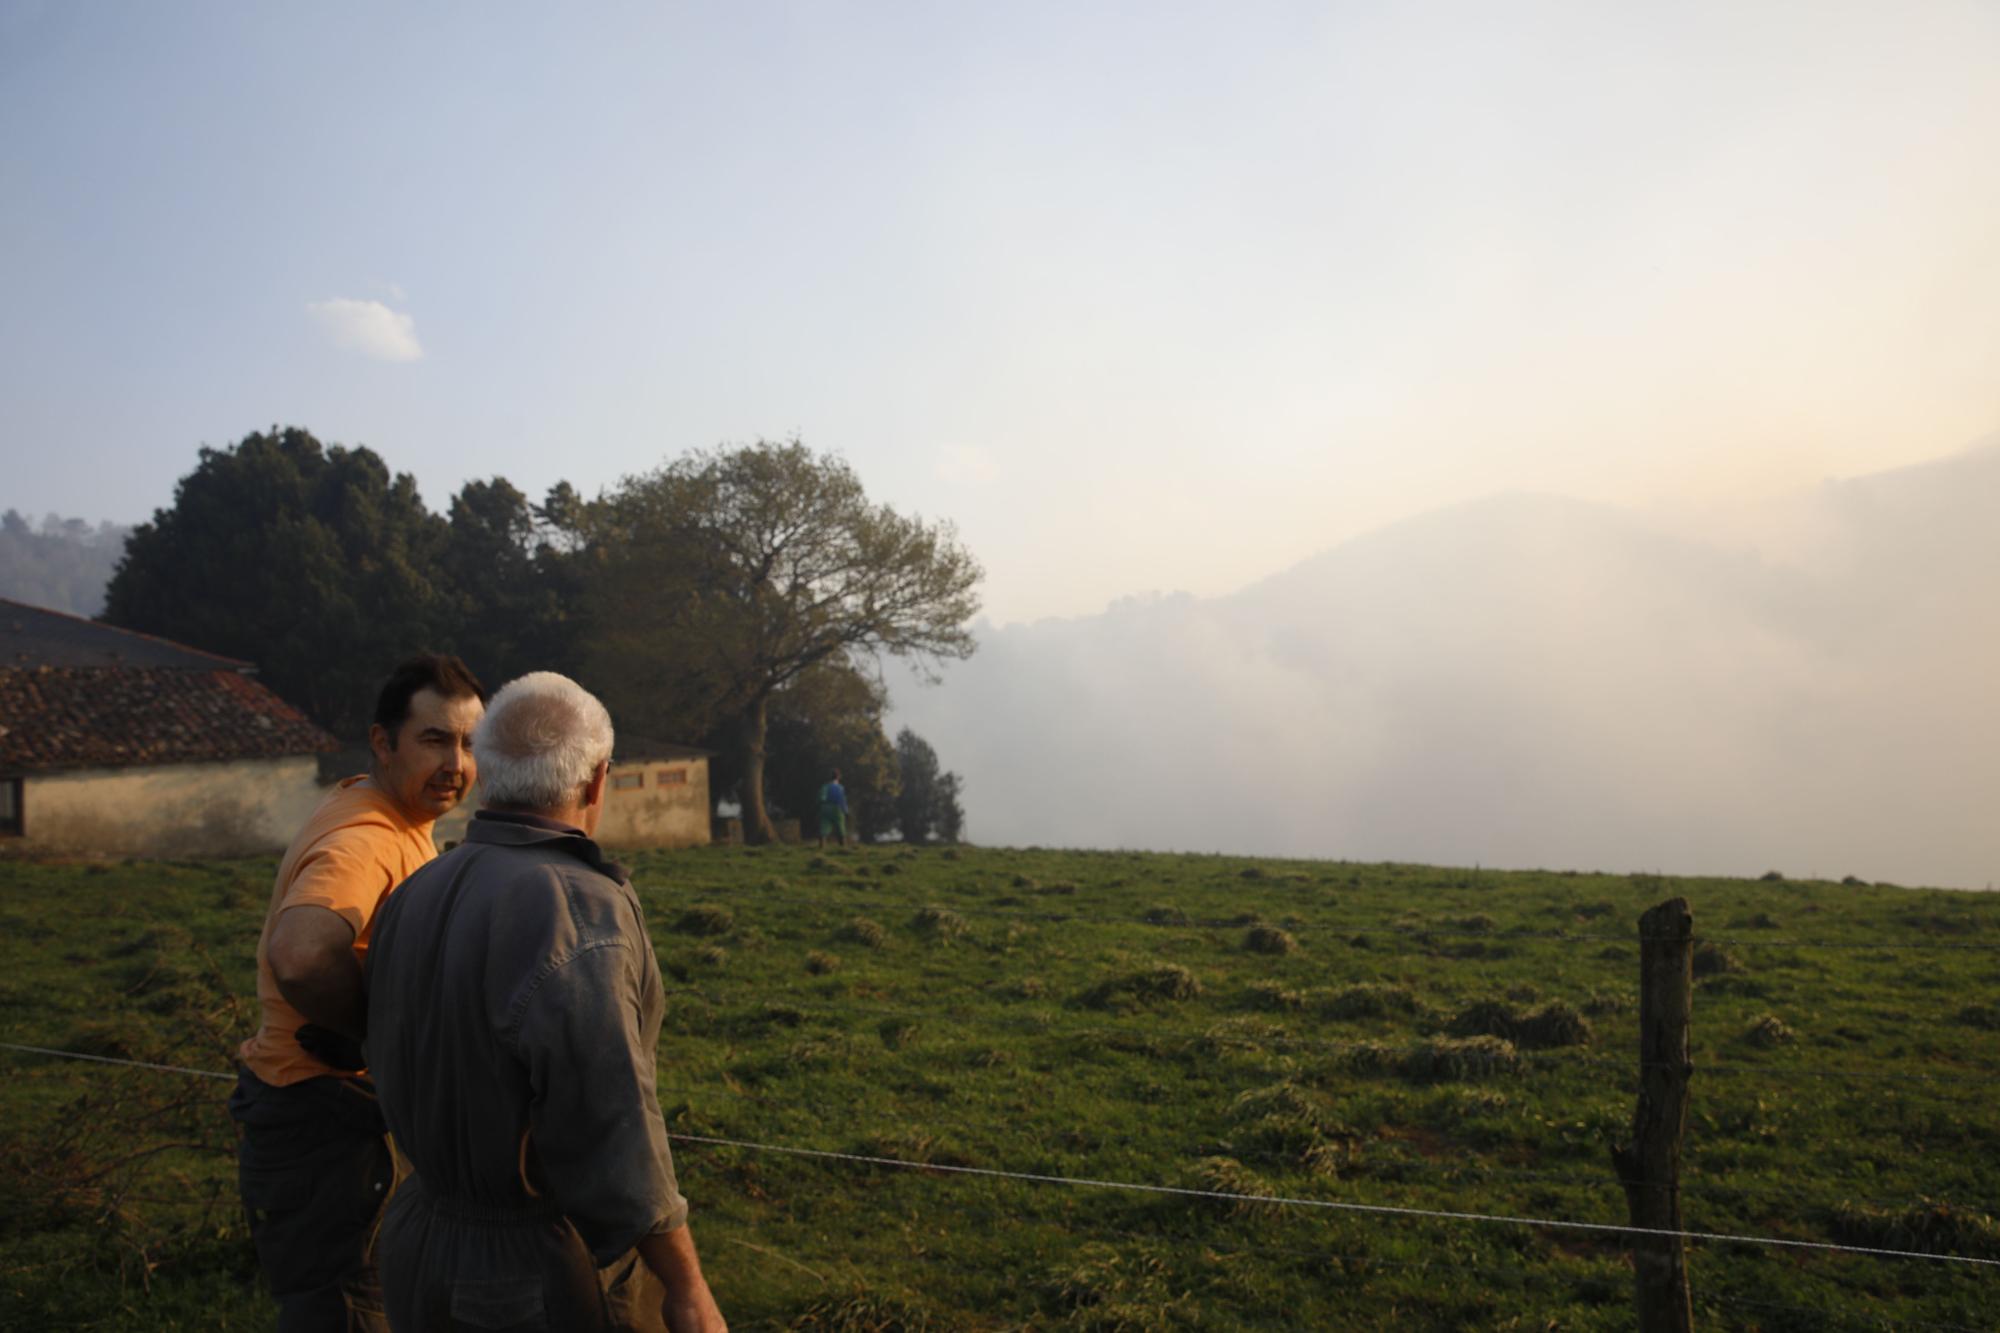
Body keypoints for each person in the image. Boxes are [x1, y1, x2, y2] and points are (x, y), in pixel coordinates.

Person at [363, 672, 727, 1333]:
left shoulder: (418, 887)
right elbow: (610, 1122)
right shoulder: (578, 909)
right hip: (531, 1273)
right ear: (596, 781)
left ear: (488, 772)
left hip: (417, 1241)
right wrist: (686, 1285)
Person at [231, 654, 487, 1332]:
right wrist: (370, 1033)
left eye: (469, 743)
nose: (456, 763)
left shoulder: (395, 821)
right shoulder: (365, 838)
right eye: (434, 739)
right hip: (323, 1132)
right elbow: (301, 951)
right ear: (383, 742)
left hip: (335, 1127)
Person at [816, 768, 848, 848]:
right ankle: (843, 846)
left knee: (824, 826)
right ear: (838, 777)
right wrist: (845, 810)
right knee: (840, 826)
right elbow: (842, 800)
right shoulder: (840, 787)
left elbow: (820, 798)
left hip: (825, 808)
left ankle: (822, 846)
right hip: (836, 808)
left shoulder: (825, 786)